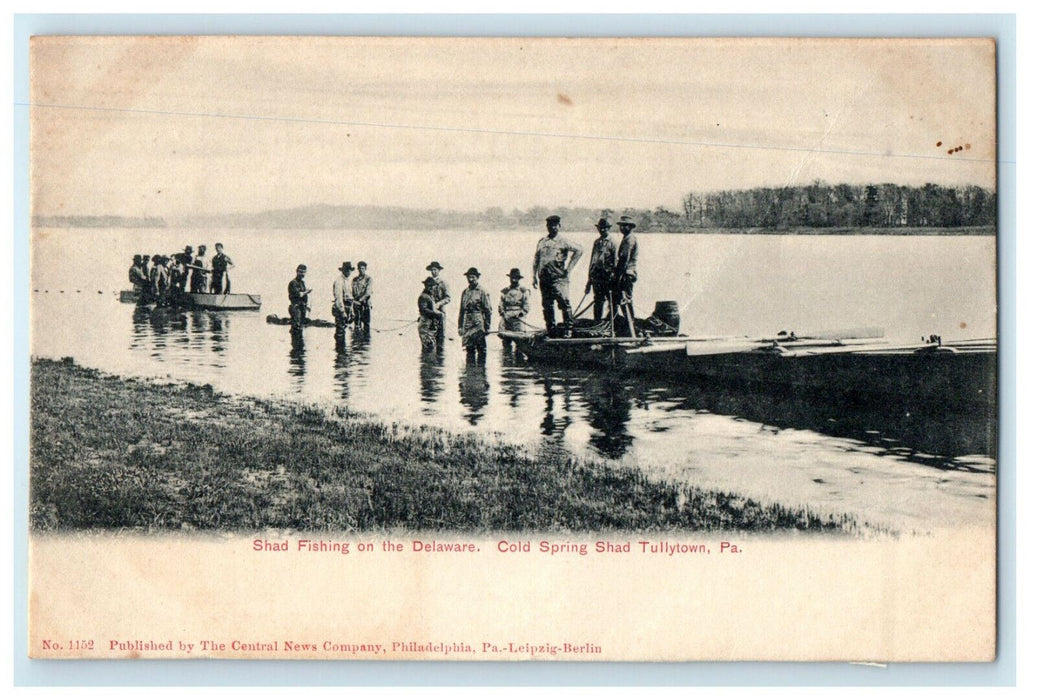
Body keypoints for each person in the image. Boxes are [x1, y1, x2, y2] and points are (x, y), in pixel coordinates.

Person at [532, 214, 583, 336]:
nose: (553, 228)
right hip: (544, 279)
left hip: (558, 279)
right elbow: (536, 259)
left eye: (555, 225)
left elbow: (579, 250)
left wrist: (569, 269)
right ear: (547, 226)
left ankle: (568, 329)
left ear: (559, 226)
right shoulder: (542, 242)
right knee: (547, 305)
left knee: (564, 303)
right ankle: (551, 329)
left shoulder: (563, 241)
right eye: (550, 225)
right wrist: (534, 276)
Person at [585, 217, 617, 322]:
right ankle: (597, 322)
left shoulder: (612, 242)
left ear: (608, 229)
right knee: (598, 301)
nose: (602, 230)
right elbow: (592, 261)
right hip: (597, 276)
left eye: (605, 228)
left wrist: (614, 276)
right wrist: (589, 280)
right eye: (600, 228)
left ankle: (611, 323)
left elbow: (616, 261)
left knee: (612, 301)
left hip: (608, 276)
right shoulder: (597, 242)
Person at [458, 267, 493, 363]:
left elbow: (488, 310)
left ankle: (481, 374)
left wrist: (487, 326)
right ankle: (470, 374)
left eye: (473, 277)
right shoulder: (465, 292)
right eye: (469, 277)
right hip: (467, 323)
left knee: (481, 349)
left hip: (478, 322)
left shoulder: (482, 291)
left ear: (477, 278)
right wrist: (460, 326)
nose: (470, 279)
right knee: (469, 349)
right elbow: (461, 310)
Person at [613, 215, 640, 335]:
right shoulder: (627, 238)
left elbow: (624, 260)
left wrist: (617, 277)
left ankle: (631, 328)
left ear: (630, 227)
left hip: (626, 274)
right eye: (621, 226)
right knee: (621, 300)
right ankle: (627, 326)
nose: (622, 228)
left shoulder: (629, 239)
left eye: (625, 226)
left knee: (625, 300)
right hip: (627, 274)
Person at [498, 268, 530, 352]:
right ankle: (506, 362)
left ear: (519, 279)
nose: (514, 279)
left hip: (518, 319)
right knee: (505, 342)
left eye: (516, 277)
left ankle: (519, 362)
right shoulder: (504, 291)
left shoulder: (523, 291)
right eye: (512, 277)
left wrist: (520, 314)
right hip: (507, 318)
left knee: (520, 343)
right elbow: (501, 305)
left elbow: (526, 306)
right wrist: (503, 314)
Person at [426, 261, 450, 346]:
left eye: (435, 270)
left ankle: (440, 356)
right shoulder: (428, 282)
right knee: (429, 336)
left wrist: (438, 304)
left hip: (440, 312)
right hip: (429, 313)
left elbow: (448, 298)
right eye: (432, 270)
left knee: (440, 336)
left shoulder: (443, 283)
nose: (433, 272)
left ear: (439, 271)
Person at [417, 276, 442, 352]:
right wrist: (436, 314)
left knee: (431, 348)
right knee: (429, 348)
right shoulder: (423, 296)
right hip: (425, 326)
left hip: (429, 326)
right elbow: (424, 310)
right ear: (425, 286)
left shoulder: (429, 296)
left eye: (432, 286)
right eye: (429, 286)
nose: (431, 287)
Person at [332, 261, 355, 341]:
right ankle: (340, 350)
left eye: (349, 270)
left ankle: (342, 350)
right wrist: (342, 312)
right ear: (343, 270)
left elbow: (350, 297)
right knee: (340, 331)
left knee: (343, 329)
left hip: (348, 307)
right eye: (346, 270)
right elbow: (338, 298)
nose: (348, 272)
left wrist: (351, 311)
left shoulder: (348, 281)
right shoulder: (339, 281)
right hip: (341, 308)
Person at [288, 264, 312, 332]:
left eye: (304, 272)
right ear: (297, 271)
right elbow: (298, 294)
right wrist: (307, 292)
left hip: (302, 308)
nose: (302, 274)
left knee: (300, 327)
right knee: (296, 328)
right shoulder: (293, 283)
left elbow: (303, 294)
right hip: (296, 308)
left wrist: (307, 306)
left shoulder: (302, 283)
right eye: (300, 272)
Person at [351, 261, 373, 332]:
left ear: (365, 269)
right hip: (356, 305)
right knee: (357, 324)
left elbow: (368, 292)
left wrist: (360, 300)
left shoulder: (368, 279)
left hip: (365, 304)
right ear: (358, 269)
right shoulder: (354, 280)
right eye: (360, 268)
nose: (361, 270)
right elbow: (352, 291)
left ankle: (366, 341)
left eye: (363, 268)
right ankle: (357, 341)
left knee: (366, 324)